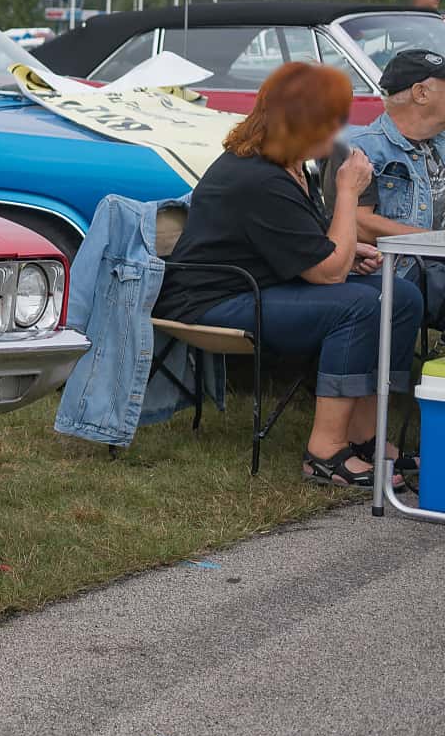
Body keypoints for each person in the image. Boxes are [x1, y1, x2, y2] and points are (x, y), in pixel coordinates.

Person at [155, 61, 420, 487]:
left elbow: (307, 247)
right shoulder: (259, 178)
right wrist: (349, 193)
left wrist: (350, 255)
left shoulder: (288, 168)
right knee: (360, 303)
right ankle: (325, 452)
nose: (340, 129)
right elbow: (328, 276)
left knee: (401, 295)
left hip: (263, 284)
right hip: (213, 301)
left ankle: (366, 436)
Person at [353, 49, 445, 323]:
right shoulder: (363, 149)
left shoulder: (440, 141)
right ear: (421, 93)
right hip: (402, 271)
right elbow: (357, 223)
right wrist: (431, 240)